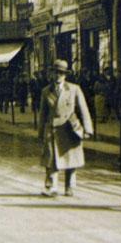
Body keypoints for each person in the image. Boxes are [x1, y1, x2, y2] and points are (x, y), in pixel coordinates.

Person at [38, 59, 93, 197]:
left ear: (65, 75)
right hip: (52, 129)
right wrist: (40, 133)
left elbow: (83, 109)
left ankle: (69, 186)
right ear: (51, 73)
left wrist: (87, 129)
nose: (58, 75)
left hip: (70, 127)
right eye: (55, 72)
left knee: (71, 158)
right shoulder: (46, 91)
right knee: (51, 158)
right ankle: (51, 187)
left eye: (61, 73)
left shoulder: (74, 89)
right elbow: (42, 114)